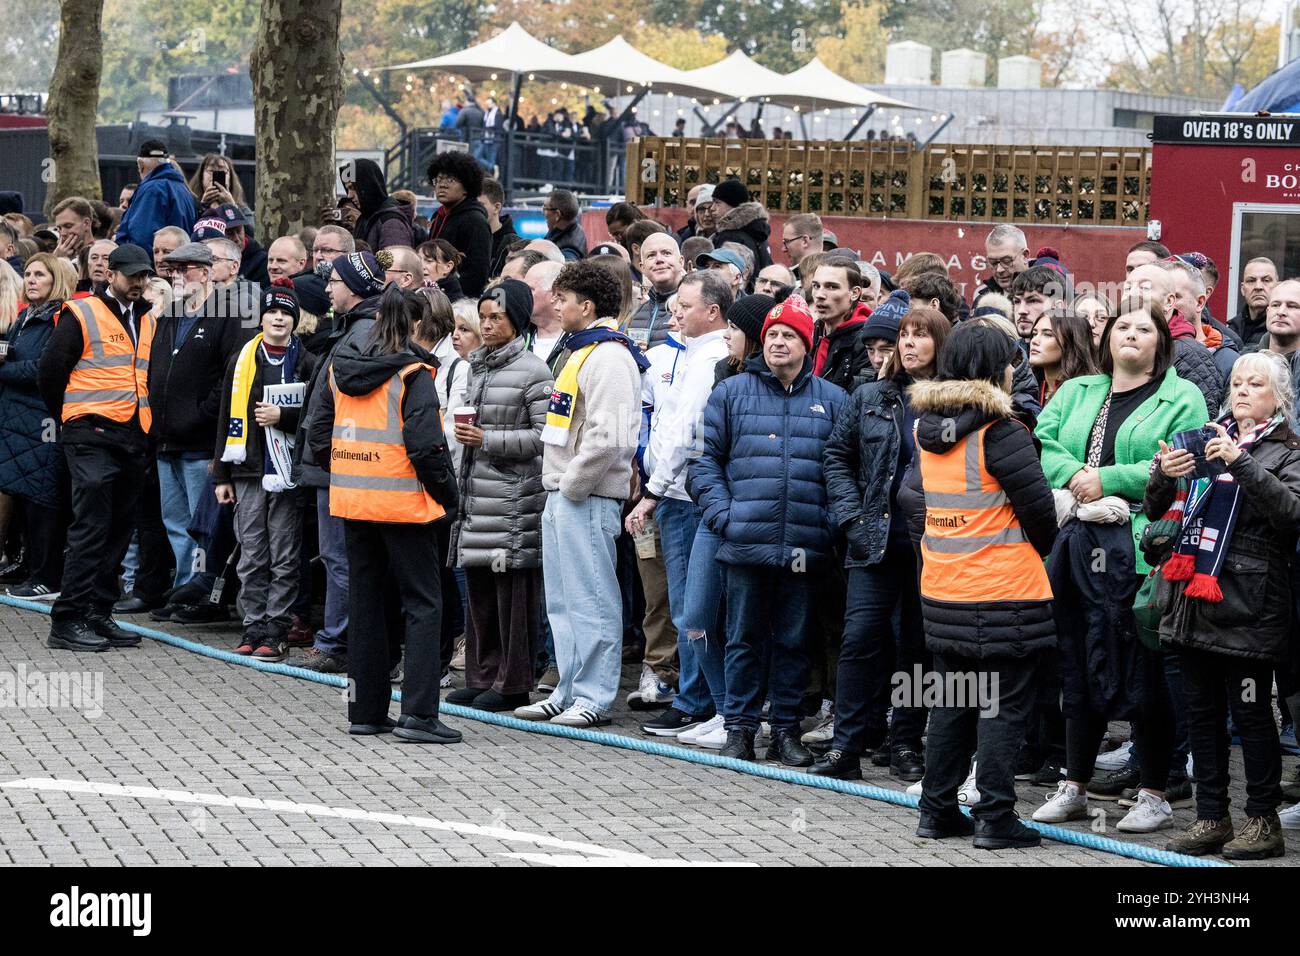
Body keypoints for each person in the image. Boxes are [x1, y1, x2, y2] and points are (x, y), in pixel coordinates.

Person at [1032, 297, 1208, 830]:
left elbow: (1181, 462)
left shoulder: (1183, 396)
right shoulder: (1079, 389)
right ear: (1106, 339)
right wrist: (1076, 480)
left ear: (1162, 341)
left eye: (1143, 328)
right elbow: (1043, 440)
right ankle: (1074, 785)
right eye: (1121, 326)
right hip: (1079, 541)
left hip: (1142, 548)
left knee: (1146, 670)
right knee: (1078, 662)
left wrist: (1107, 479)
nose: (1130, 334)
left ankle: (1154, 790)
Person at [902, 322, 1058, 850]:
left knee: (952, 701)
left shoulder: (927, 429)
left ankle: (937, 810)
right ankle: (995, 817)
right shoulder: (1003, 431)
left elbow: (913, 501)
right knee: (1002, 706)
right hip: (1005, 593)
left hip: (945, 590)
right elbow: (1040, 512)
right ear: (997, 369)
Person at [1148, 352, 1298, 859]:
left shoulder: (1289, 449)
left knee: (1252, 715)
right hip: (1193, 602)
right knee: (1202, 714)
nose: (1242, 390)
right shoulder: (1205, 440)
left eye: (1256, 384)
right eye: (1237, 382)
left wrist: (1242, 462)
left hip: (1251, 608)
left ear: (1280, 397)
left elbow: (1290, 513)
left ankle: (1263, 823)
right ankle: (1211, 817)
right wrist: (1164, 475)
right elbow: (1159, 511)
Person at [691, 298, 847, 763]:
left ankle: (785, 730)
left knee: (795, 641)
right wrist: (727, 517)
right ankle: (738, 729)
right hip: (744, 541)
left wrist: (826, 524)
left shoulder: (833, 400)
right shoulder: (732, 392)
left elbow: (842, 473)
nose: (779, 342)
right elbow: (703, 463)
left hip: (805, 544)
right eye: (774, 334)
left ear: (808, 343)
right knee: (743, 638)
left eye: (790, 336)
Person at [309, 284, 461, 743]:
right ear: (417, 325)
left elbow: (317, 434)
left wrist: (349, 471)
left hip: (354, 504)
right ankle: (419, 715)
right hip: (405, 507)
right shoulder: (414, 373)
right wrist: (448, 496)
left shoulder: (341, 368)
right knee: (423, 605)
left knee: (368, 604)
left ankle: (366, 712)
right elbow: (427, 447)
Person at [813, 307, 951, 780]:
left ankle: (906, 744)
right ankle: (846, 745)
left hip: (930, 543)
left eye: (919, 336)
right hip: (872, 537)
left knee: (917, 644)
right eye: (903, 337)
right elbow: (836, 456)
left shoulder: (952, 402)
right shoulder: (872, 395)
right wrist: (850, 515)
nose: (907, 344)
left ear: (940, 343)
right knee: (859, 639)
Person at [513, 260, 647, 727]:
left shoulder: (609, 356)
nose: (555, 304)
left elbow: (609, 437)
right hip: (564, 493)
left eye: (564, 298)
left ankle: (593, 695)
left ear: (586, 306)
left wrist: (571, 485)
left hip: (583, 495)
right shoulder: (582, 351)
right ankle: (569, 687)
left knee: (592, 598)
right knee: (564, 599)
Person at [626, 271, 733, 733]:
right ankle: (699, 699)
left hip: (683, 497)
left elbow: (685, 434)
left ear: (712, 311)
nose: (675, 314)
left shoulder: (710, 358)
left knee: (692, 608)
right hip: (673, 492)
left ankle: (697, 701)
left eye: (685, 307)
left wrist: (651, 491)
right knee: (686, 604)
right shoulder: (690, 355)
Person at [37, 244, 157, 652]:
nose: (140, 282)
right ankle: (68, 619)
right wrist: (71, 417)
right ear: (111, 275)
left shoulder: (146, 319)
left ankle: (98, 612)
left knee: (119, 527)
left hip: (130, 434)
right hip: (90, 433)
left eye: (145, 276)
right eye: (133, 276)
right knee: (90, 526)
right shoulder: (82, 312)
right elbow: (51, 370)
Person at [444, 279, 553, 712]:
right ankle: (483, 674)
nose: (486, 326)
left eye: (496, 318)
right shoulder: (477, 367)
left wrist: (487, 438)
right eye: (483, 317)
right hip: (476, 496)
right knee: (481, 595)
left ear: (518, 320)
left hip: (512, 501)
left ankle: (513, 682)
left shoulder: (534, 371)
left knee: (513, 599)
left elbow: (546, 438)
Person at [211, 279, 316, 662]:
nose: (278, 318)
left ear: (295, 320)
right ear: (261, 317)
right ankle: (252, 624)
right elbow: (225, 416)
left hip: (287, 472)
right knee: (252, 552)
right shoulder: (243, 359)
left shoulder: (306, 361)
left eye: (286, 313)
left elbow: (316, 415)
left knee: (285, 553)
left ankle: (277, 628)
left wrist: (283, 416)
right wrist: (221, 475)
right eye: (272, 311)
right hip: (249, 470)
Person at [292, 250, 387, 672]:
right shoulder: (356, 328)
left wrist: (322, 449)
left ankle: (338, 643)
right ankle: (341, 640)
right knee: (338, 557)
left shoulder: (362, 332)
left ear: (354, 288)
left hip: (343, 465)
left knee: (340, 557)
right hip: (338, 463)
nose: (327, 288)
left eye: (334, 282)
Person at [145, 241, 243, 607]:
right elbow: (156, 370)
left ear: (205, 272)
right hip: (166, 439)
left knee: (201, 522)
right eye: (173, 269)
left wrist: (200, 415)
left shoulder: (227, 315)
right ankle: (184, 585)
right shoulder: (168, 316)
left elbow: (230, 377)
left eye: (185, 268)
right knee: (174, 519)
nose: (177, 275)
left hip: (200, 441)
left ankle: (201, 591)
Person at [0, 254, 74, 598]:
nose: (30, 279)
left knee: (44, 499)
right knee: (26, 497)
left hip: (43, 419)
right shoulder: (26, 316)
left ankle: (48, 575)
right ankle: (29, 566)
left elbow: (44, 369)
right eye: (27, 273)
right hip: (16, 421)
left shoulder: (61, 318)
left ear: (55, 279)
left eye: (39, 274)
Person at [1126, 262, 1224, 415]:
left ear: (1169, 301)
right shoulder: (1120, 343)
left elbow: (1200, 420)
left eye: (1144, 287)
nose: (1132, 293)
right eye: (1127, 288)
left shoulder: (1189, 352)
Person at [426, 151, 492, 297]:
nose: (442, 185)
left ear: (467, 186)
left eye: (450, 180)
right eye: (437, 180)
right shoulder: (439, 216)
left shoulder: (475, 221)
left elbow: (477, 274)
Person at [115, 142, 196, 255]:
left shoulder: (152, 189)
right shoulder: (183, 189)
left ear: (141, 164)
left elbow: (142, 239)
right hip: (178, 265)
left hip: (153, 268)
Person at [342, 158, 413, 254]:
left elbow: (395, 266)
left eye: (353, 187)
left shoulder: (391, 222)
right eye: (348, 189)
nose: (349, 195)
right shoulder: (367, 217)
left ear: (367, 185)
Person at [1028, 309, 1097, 407]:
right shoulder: (1025, 388)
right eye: (1034, 334)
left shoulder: (1087, 393)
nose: (1034, 340)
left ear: (1071, 342)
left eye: (1047, 334)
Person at [627, 231, 683, 350]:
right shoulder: (638, 314)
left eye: (666, 253)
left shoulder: (697, 307)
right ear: (642, 267)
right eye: (651, 255)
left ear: (681, 261)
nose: (659, 259)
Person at [708, 178, 772, 271]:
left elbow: (722, 275)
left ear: (733, 204)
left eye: (717, 203)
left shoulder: (730, 237)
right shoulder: (756, 230)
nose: (712, 208)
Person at [974, 224, 1029, 302]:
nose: (999, 270)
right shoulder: (982, 301)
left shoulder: (1045, 294)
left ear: (1025, 256)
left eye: (1006, 261)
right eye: (993, 263)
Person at [1233, 257, 1279, 350]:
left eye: (1266, 280)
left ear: (1277, 286)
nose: (1258, 287)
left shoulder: (1282, 331)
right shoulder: (1231, 329)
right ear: (1242, 289)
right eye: (1251, 280)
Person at [479, 177, 519, 278]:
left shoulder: (513, 246)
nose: (473, 209)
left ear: (497, 207)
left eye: (479, 205)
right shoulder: (465, 237)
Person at [542, 189, 587, 262]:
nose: (543, 212)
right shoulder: (560, 229)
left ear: (557, 214)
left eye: (545, 208)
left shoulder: (569, 254)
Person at [782, 214, 823, 278]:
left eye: (787, 241)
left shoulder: (788, 279)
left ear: (805, 241)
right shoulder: (835, 273)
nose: (783, 249)